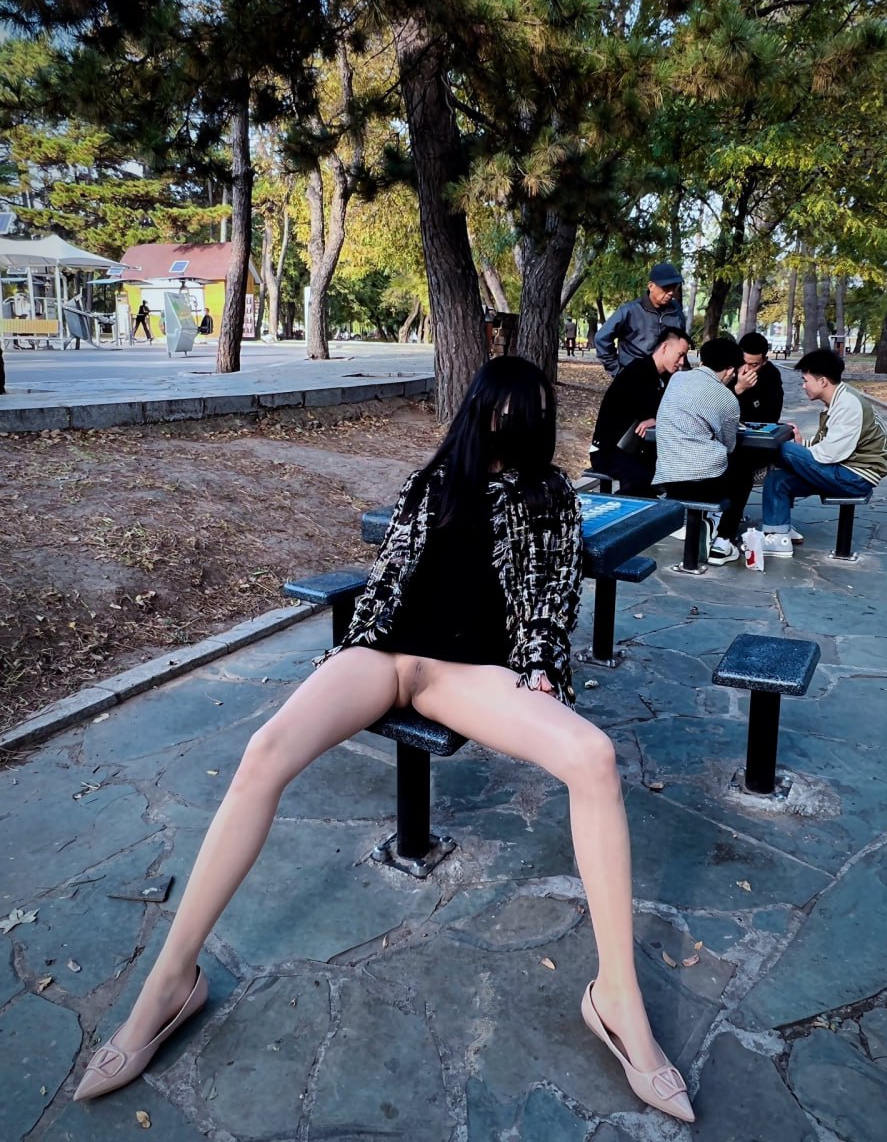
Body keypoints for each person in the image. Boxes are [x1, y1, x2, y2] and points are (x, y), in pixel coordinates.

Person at [72, 356, 695, 1125]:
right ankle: (172, 981)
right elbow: (387, 582)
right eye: (505, 411)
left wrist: (539, 666)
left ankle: (616, 999)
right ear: (479, 410)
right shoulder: (430, 484)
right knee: (264, 751)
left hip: (465, 674)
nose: (517, 425)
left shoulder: (549, 494)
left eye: (531, 413)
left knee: (593, 757)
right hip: (382, 655)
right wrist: (348, 657)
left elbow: (550, 600)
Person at [761, 349, 887, 558]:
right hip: (844, 468)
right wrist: (802, 444)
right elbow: (827, 444)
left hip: (855, 476)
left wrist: (795, 450)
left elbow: (829, 454)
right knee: (778, 479)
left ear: (822, 381)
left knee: (784, 448)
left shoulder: (848, 404)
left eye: (805, 380)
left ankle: (755, 471)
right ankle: (778, 536)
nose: (803, 386)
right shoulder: (838, 399)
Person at [652, 337, 754, 566]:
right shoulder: (727, 398)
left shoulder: (676, 379)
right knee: (743, 472)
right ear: (730, 370)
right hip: (704, 482)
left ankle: (708, 523)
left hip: (668, 478)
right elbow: (729, 445)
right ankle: (723, 542)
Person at [589, 327, 691, 495]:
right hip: (610, 451)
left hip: (638, 451)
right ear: (665, 347)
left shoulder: (666, 378)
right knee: (646, 480)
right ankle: (620, 508)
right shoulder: (637, 373)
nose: (682, 362)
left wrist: (657, 419)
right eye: (680, 355)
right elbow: (651, 412)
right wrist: (658, 419)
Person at [594, 262, 687, 374]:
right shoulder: (629, 311)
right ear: (651, 286)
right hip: (633, 376)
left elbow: (681, 346)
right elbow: (601, 339)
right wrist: (618, 371)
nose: (671, 292)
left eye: (674, 287)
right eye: (666, 287)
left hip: (666, 378)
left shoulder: (676, 312)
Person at [734, 332, 784, 423]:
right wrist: (739, 388)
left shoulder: (771, 374)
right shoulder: (729, 370)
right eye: (742, 362)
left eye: (753, 365)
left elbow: (772, 415)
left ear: (764, 361)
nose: (747, 369)